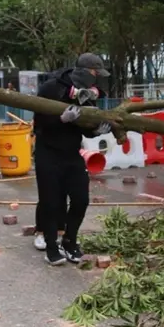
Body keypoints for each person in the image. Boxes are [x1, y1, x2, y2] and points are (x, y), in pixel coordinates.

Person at [33, 54, 111, 265]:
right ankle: (51, 246)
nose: (95, 79)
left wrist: (97, 131)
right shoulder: (51, 88)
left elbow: (86, 130)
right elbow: (38, 124)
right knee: (51, 202)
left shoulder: (87, 95)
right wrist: (61, 120)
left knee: (80, 199)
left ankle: (69, 240)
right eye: (95, 74)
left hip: (71, 153)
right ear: (84, 71)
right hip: (47, 152)